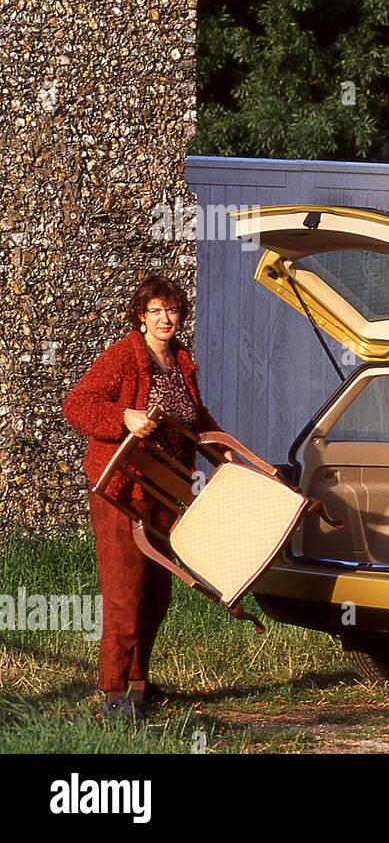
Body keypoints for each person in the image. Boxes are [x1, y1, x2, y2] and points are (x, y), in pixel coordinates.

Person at [62, 274, 222, 721]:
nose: (165, 318)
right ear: (141, 316)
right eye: (155, 311)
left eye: (171, 310)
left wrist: (220, 444)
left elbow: (194, 415)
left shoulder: (180, 362)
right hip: (122, 490)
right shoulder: (123, 356)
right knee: (123, 594)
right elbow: (76, 405)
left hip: (166, 493)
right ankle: (114, 693)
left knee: (156, 593)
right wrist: (124, 417)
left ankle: (138, 685)